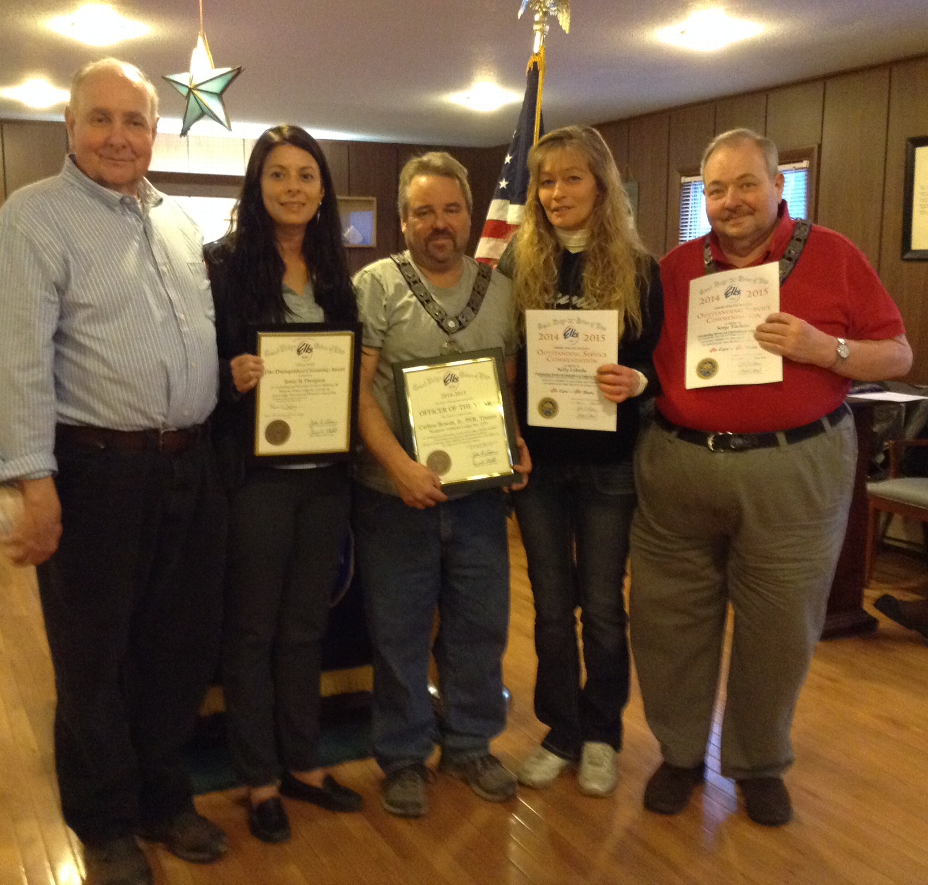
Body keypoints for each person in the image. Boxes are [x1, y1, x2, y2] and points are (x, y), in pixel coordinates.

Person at [0, 59, 228, 885]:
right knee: (94, 657)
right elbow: (14, 361)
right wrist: (33, 483)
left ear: (155, 132)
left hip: (189, 466)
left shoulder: (179, 224)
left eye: (135, 121)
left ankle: (163, 793)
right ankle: (106, 819)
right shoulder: (34, 219)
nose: (119, 136)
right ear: (70, 127)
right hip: (95, 475)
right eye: (101, 119)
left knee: (177, 649)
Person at [629, 128, 912, 827]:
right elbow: (648, 356)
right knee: (668, 618)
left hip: (796, 466)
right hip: (680, 465)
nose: (731, 201)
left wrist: (827, 348)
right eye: (716, 189)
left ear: (778, 185)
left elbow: (898, 354)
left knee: (780, 624)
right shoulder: (675, 266)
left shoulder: (835, 255)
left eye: (746, 183)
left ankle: (758, 761)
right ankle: (681, 753)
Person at [352, 151, 530, 818]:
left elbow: (503, 387)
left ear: (468, 214)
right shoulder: (375, 285)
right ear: (403, 221)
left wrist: (515, 442)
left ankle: (470, 743)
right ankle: (402, 755)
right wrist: (398, 464)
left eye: (451, 209)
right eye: (423, 211)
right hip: (391, 495)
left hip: (479, 498)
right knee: (398, 632)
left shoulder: (500, 289)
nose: (439, 222)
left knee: (479, 626)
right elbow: (356, 389)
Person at [204, 124, 363, 845]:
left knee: (305, 627)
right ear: (256, 185)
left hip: (326, 478)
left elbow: (353, 364)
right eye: (278, 174)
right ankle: (258, 777)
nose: (293, 187)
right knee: (252, 630)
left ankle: (302, 761)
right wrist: (228, 375)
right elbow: (195, 366)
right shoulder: (223, 266)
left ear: (322, 188)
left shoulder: (336, 271)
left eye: (306, 174)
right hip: (258, 481)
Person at [496, 126, 663, 796]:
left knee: (600, 606)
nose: (557, 192)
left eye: (571, 177)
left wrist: (638, 382)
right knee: (550, 605)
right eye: (546, 180)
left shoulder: (640, 268)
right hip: (539, 465)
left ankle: (602, 734)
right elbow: (507, 364)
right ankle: (560, 730)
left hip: (608, 465)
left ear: (601, 184)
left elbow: (654, 361)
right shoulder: (518, 263)